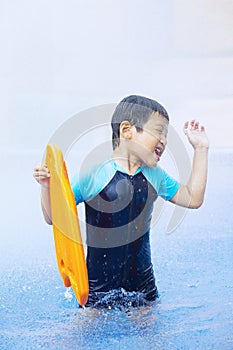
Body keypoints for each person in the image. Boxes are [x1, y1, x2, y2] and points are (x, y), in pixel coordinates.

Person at [33, 95, 209, 306]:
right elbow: (54, 218)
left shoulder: (156, 175)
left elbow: (193, 198)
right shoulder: (95, 174)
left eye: (166, 135)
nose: (164, 140)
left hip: (143, 287)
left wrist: (201, 149)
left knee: (153, 337)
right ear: (126, 130)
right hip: (98, 289)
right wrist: (47, 188)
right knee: (78, 335)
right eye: (159, 131)